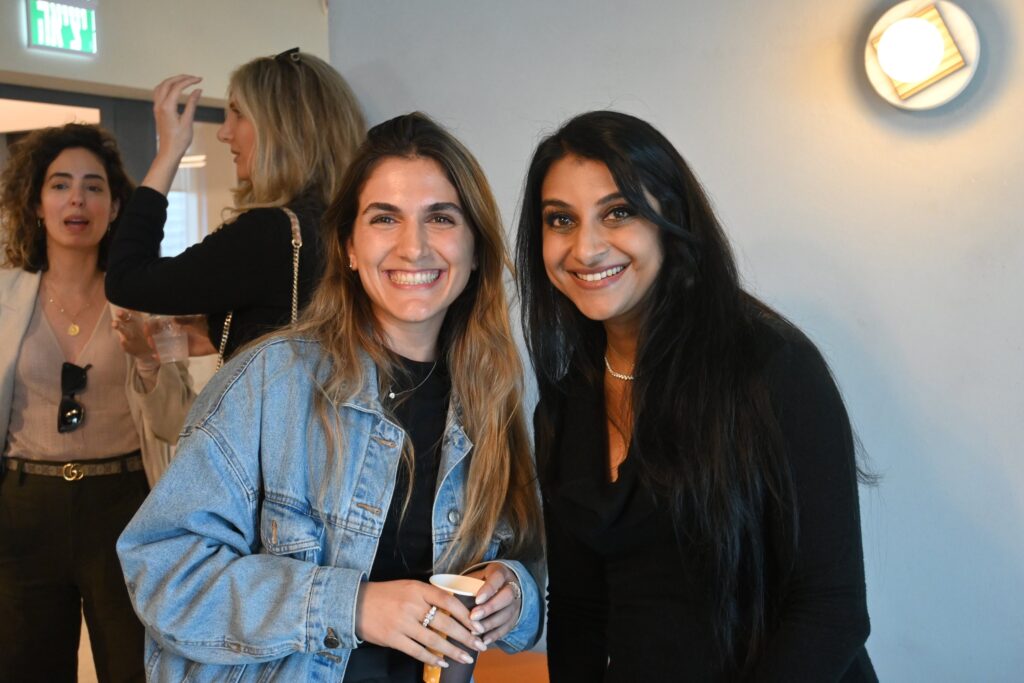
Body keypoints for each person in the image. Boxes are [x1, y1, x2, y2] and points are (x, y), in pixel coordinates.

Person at [117, 112, 545, 682]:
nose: (413, 247)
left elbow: (542, 564)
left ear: (474, 247)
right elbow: (164, 571)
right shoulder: (271, 380)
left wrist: (514, 591)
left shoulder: (493, 394)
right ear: (347, 245)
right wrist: (353, 606)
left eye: (440, 218)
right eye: (384, 218)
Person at [516, 111, 877, 681]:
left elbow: (831, 611)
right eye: (560, 220)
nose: (585, 248)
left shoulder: (770, 366)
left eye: (618, 212)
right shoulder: (563, 407)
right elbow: (582, 611)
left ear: (671, 219)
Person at [0, 123, 192, 682]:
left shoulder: (142, 299)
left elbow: (176, 420)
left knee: (135, 667)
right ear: (36, 203)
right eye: (60, 185)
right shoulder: (7, 295)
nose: (77, 200)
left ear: (115, 208)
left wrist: (151, 361)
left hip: (124, 504)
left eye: (94, 186)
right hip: (22, 507)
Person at [105, 48, 366, 361]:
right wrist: (212, 329)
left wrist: (169, 152)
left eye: (238, 114)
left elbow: (125, 280)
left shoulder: (270, 233)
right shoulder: (351, 222)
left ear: (282, 128)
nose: (224, 133)